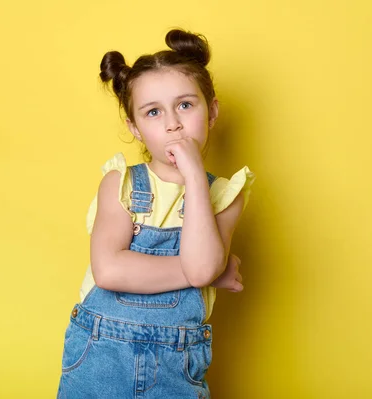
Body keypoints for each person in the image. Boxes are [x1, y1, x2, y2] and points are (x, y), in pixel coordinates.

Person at [57, 28, 255, 398]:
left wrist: (194, 176)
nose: (172, 124)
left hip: (176, 365)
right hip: (101, 357)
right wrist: (210, 272)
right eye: (153, 112)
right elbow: (111, 270)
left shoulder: (224, 196)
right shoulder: (121, 185)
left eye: (185, 105)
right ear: (135, 127)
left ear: (211, 111)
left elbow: (201, 268)